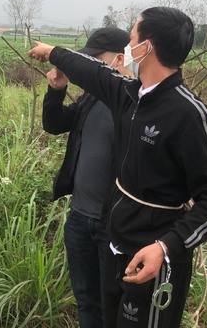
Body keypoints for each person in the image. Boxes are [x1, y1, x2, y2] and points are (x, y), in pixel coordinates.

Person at [29, 6, 207, 328]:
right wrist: (52, 52)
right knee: (108, 317)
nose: (126, 47)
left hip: (154, 251)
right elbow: (90, 71)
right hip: (116, 239)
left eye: (132, 37)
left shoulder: (190, 114)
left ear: (145, 47)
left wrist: (166, 247)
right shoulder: (130, 96)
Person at [42, 27, 131, 328]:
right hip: (80, 220)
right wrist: (56, 90)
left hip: (114, 227)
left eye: (95, 60)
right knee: (86, 300)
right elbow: (54, 124)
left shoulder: (135, 105)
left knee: (113, 304)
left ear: (120, 60)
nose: (86, 66)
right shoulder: (91, 99)